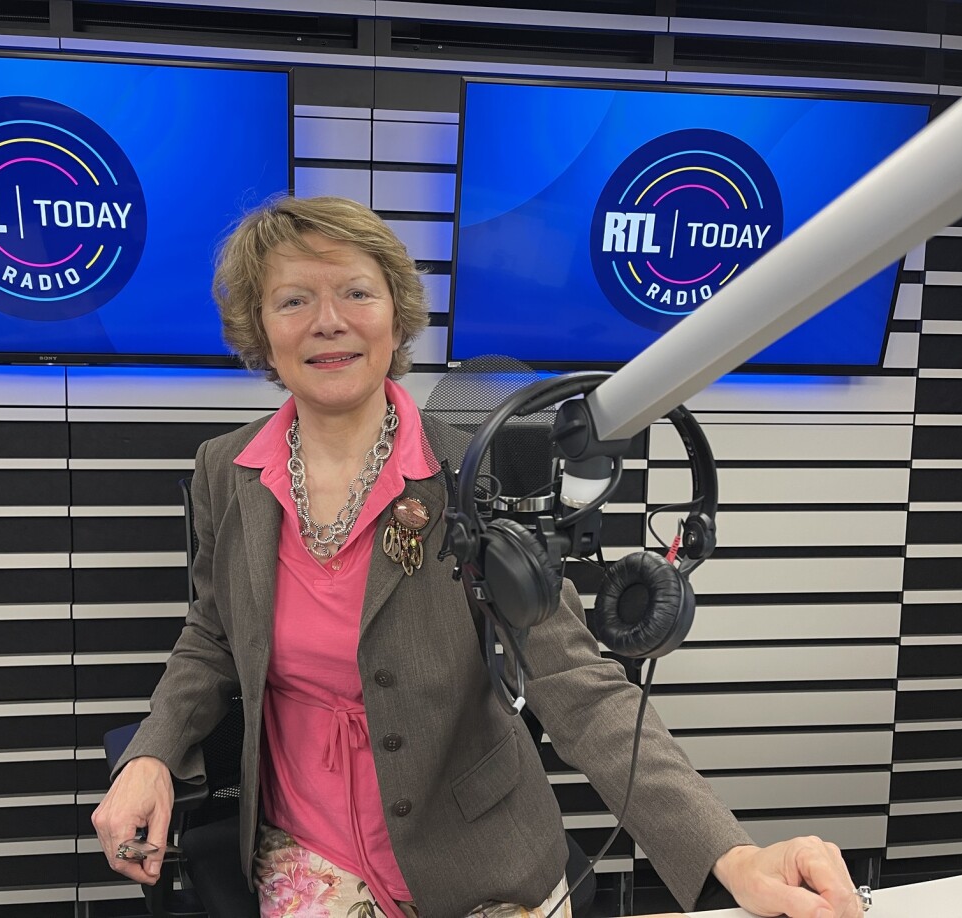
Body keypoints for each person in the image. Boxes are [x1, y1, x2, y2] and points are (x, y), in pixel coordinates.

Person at [92, 195, 865, 918]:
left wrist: (729, 854)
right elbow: (213, 635)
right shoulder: (226, 471)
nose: (329, 322)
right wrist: (152, 755)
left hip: (481, 861)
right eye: (294, 300)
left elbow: (575, 681)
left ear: (396, 317)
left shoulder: (476, 472)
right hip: (307, 854)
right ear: (260, 332)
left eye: (356, 293)